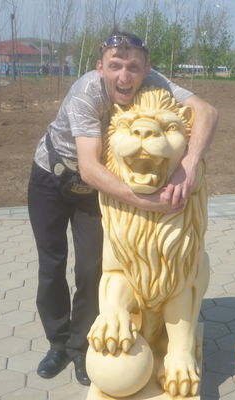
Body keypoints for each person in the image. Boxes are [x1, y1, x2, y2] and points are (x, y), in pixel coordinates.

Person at [27, 29, 218, 386]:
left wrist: (188, 166)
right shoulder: (86, 92)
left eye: (133, 67)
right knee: (51, 264)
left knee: (91, 268)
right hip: (53, 177)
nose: (125, 76)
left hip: (97, 187)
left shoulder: (155, 81)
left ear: (146, 68)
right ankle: (57, 344)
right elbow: (89, 166)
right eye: (115, 66)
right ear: (100, 67)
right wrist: (151, 203)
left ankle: (81, 347)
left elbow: (207, 111)